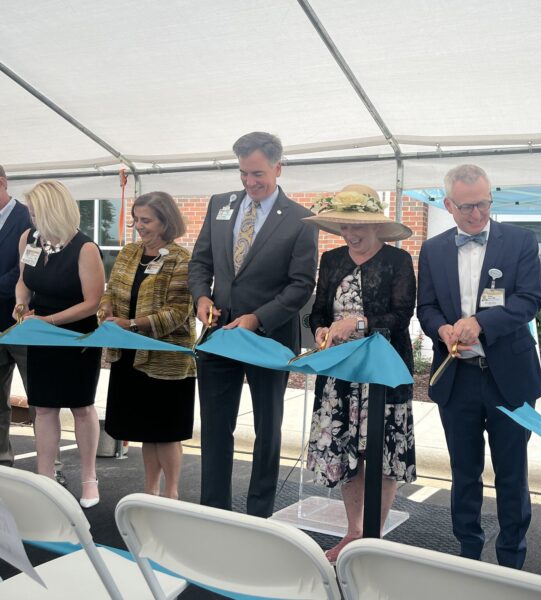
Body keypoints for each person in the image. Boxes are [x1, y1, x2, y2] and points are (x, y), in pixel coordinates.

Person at [417, 164, 541, 569]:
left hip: (509, 378)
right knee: (464, 474)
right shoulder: (434, 248)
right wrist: (441, 330)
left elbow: (529, 300)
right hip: (458, 380)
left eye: (485, 204)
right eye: (468, 206)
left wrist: (480, 324)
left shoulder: (520, 241)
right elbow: (427, 307)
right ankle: (467, 555)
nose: (478, 214)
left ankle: (511, 561)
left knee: (512, 475)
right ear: (448, 204)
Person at [188, 131, 318, 517]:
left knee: (267, 430)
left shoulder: (300, 219)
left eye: (258, 173)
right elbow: (200, 264)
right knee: (214, 427)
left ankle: (259, 513)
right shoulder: (218, 206)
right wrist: (202, 298)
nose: (249, 182)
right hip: (218, 336)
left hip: (268, 337)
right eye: (243, 173)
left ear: (278, 168)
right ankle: (214, 510)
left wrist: (257, 318)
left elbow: (301, 285)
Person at [303, 184, 417, 563]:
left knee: (382, 456)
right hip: (339, 376)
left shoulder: (398, 262)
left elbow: (402, 317)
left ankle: (374, 536)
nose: (351, 236)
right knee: (346, 454)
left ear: (378, 228)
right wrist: (321, 329)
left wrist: (359, 322)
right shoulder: (332, 259)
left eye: (359, 229)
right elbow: (317, 310)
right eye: (344, 229)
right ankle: (354, 532)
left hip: (382, 374)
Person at [99, 191, 196, 499]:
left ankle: (171, 494)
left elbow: (179, 313)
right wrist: (106, 313)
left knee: (166, 433)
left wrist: (129, 324)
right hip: (130, 355)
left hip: (166, 360)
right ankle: (150, 491)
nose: (139, 226)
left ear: (166, 222)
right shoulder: (129, 253)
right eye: (136, 220)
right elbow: (110, 291)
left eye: (146, 220)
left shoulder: (182, 260)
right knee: (146, 431)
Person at [14, 181, 105, 508]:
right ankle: (45, 478)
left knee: (81, 407)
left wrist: (47, 322)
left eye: (36, 211)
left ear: (53, 210)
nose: (32, 217)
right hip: (40, 333)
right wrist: (21, 305)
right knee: (45, 407)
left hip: (76, 336)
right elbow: (23, 282)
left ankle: (89, 478)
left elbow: (93, 302)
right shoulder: (29, 239)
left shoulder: (85, 248)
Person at [0, 164, 33, 467]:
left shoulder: (28, 218)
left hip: (24, 323)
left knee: (41, 400)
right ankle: (2, 463)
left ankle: (51, 468)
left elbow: (26, 269)